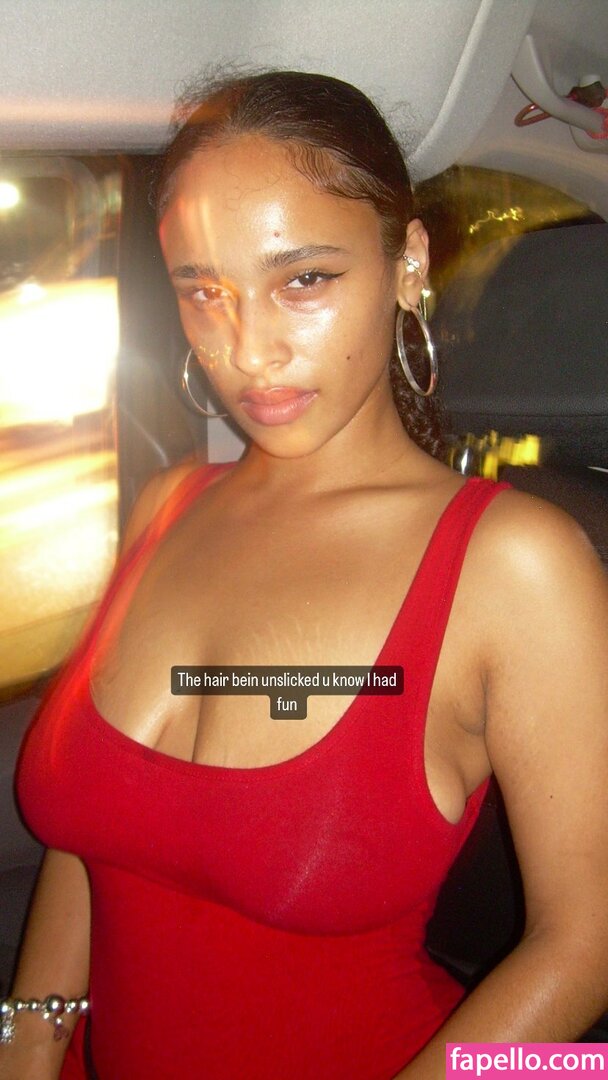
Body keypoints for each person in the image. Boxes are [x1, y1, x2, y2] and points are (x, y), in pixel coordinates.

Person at [3, 70, 608, 1080]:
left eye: (305, 281)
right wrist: (28, 1042)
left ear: (407, 265)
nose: (249, 350)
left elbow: (583, 943)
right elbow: (93, 834)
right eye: (204, 291)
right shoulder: (169, 507)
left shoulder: (511, 565)